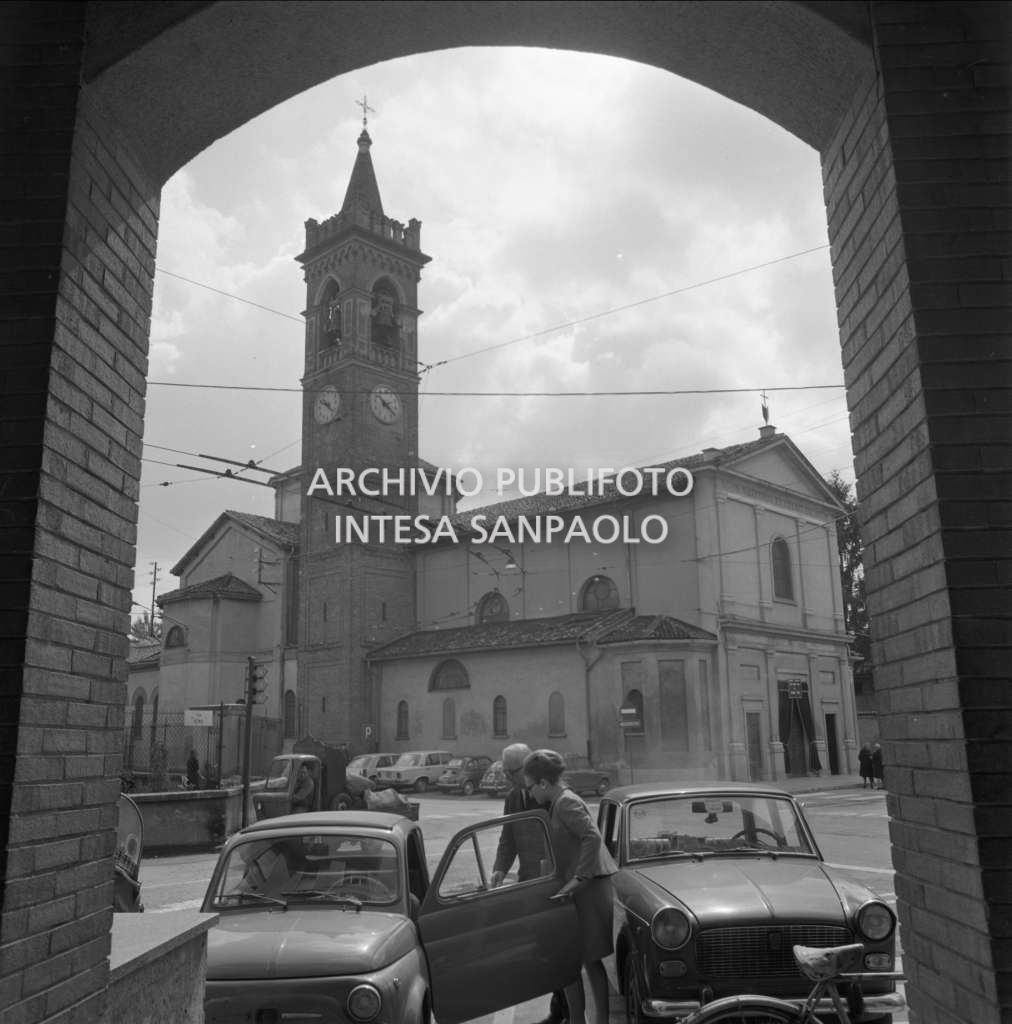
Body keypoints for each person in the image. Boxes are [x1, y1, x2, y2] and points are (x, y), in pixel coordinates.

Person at [524, 749, 617, 1024]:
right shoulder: (559, 802)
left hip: (590, 888)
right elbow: (566, 846)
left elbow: (591, 836)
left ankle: (597, 1021)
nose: (530, 795)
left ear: (543, 783)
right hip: (580, 888)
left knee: (588, 960)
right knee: (571, 961)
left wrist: (578, 878)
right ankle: (579, 1020)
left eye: (531, 787)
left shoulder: (565, 802)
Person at [490, 743, 567, 1024]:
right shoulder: (513, 798)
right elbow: (507, 837)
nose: (508, 778)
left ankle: (563, 1011)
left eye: (511, 772)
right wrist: (500, 869)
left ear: (525, 769)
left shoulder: (549, 796)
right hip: (529, 884)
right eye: (506, 773)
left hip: (555, 884)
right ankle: (560, 1008)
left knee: (558, 951)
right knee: (542, 951)